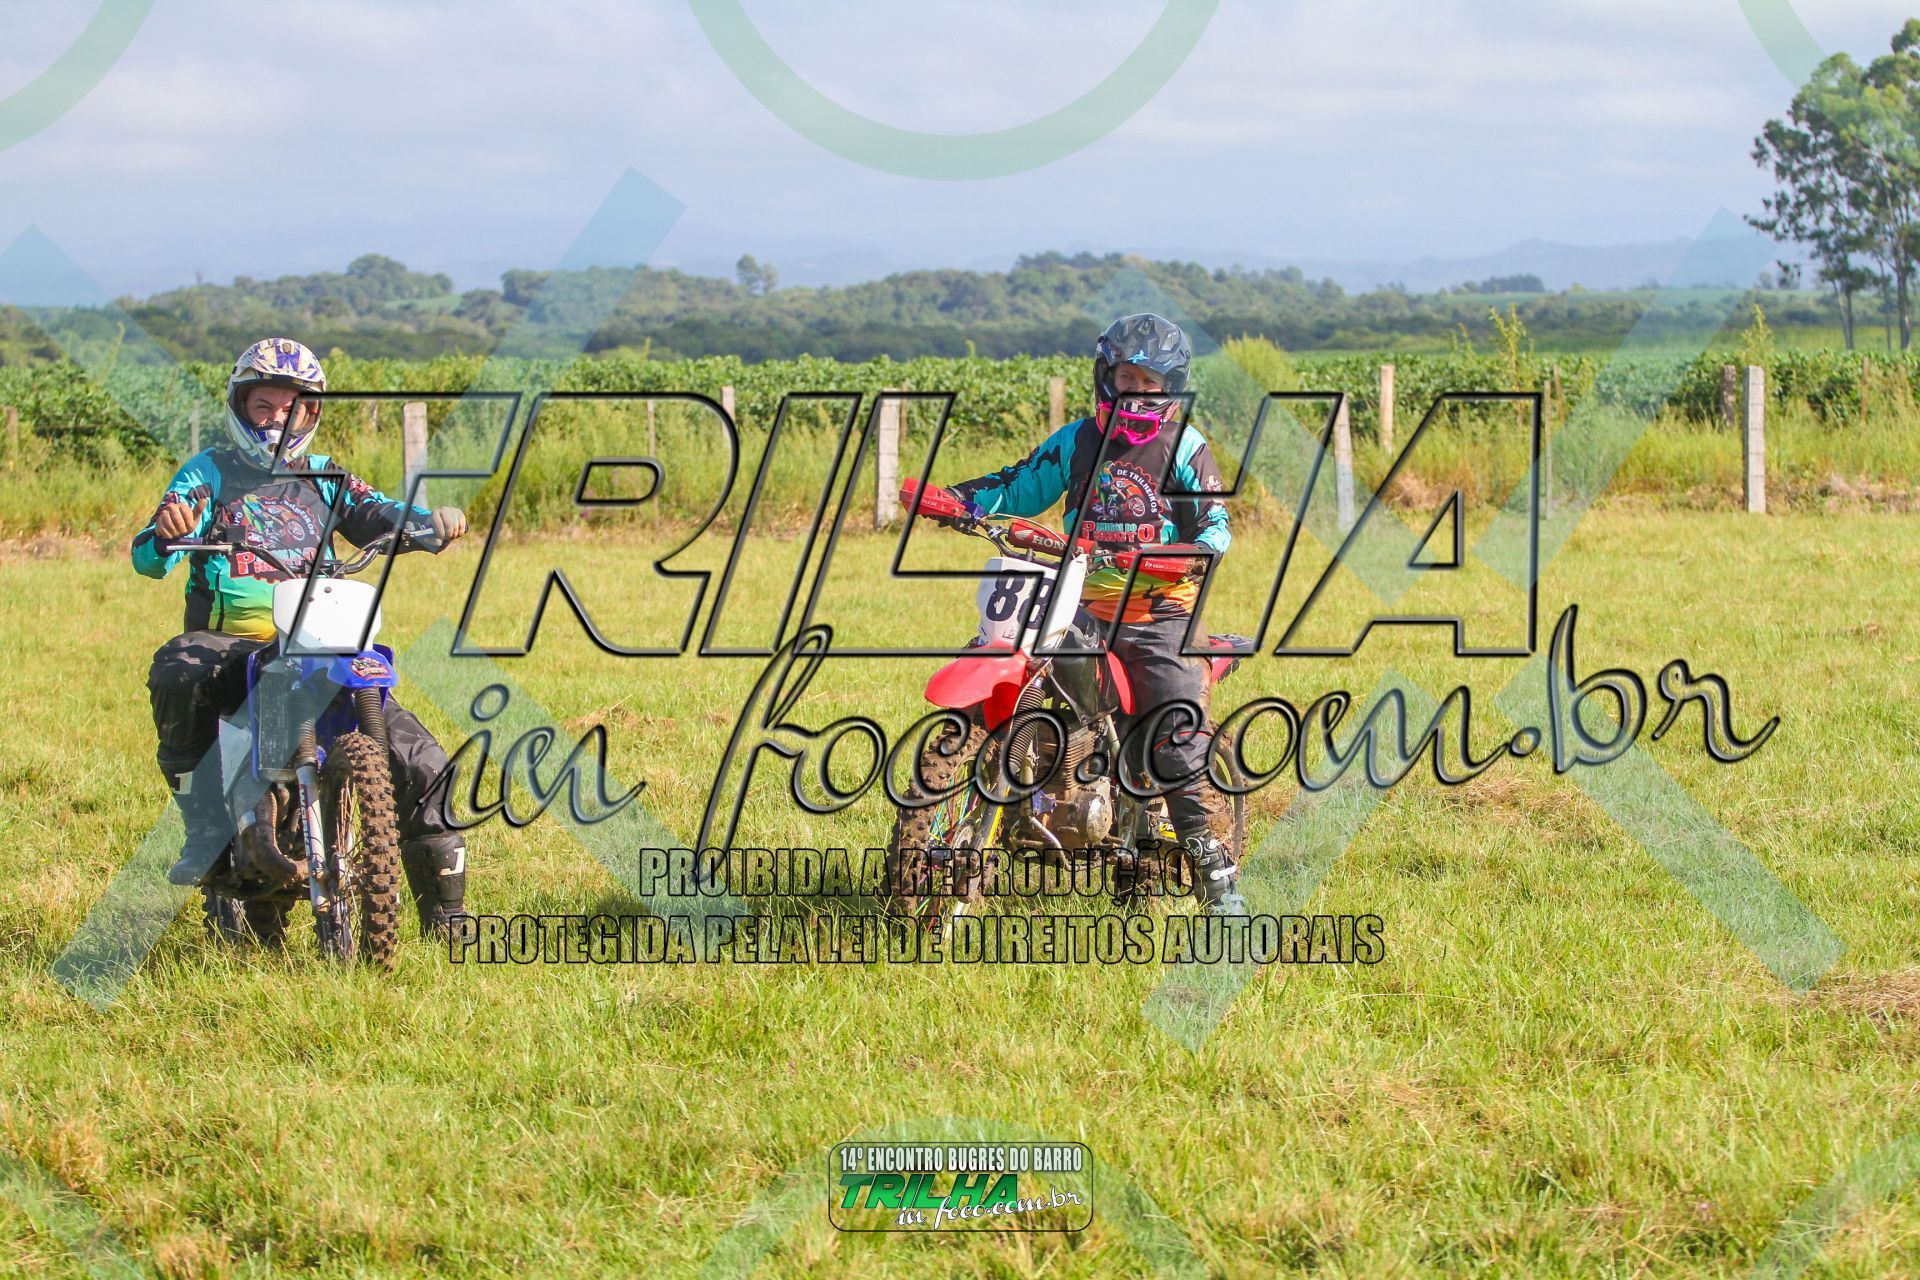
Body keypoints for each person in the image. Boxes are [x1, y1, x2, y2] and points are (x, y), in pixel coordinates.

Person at [132, 338, 470, 935]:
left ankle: (447, 917)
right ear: (240, 406)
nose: (276, 420)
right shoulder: (208, 472)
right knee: (179, 667)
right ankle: (205, 830)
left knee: (423, 760)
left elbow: (383, 513)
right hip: (233, 645)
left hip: (320, 639)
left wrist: (431, 523)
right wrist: (166, 531)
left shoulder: (326, 477)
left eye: (291, 409)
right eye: (263, 406)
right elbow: (149, 555)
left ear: (310, 413)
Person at [948, 313, 1246, 915]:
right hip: (1075, 600)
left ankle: (1215, 871)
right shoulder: (1076, 441)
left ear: (1171, 390)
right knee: (1021, 667)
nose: (1136, 391)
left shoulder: (1185, 446)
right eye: (1126, 378)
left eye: (1150, 383)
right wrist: (957, 499)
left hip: (1157, 611)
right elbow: (1019, 484)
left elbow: (1215, 523)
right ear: (1105, 377)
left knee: (1173, 725)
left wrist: (1181, 554)